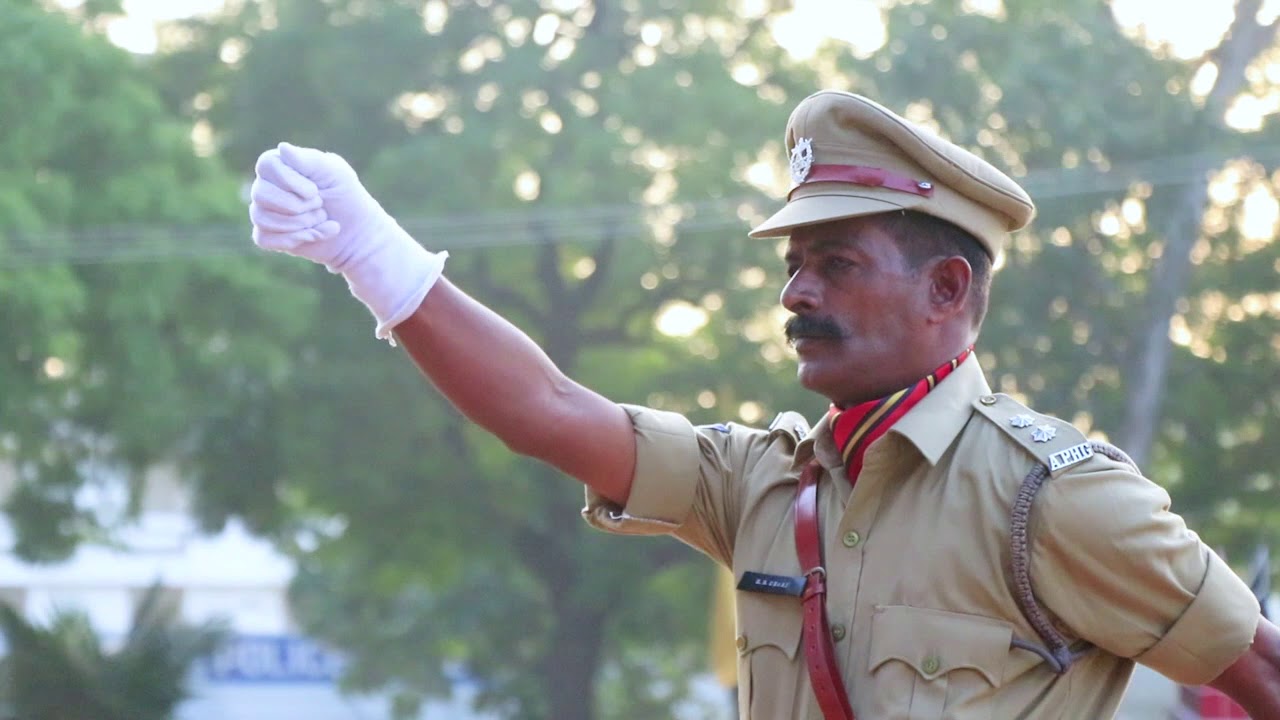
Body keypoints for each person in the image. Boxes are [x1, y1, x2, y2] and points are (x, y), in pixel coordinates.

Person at [248, 90, 1280, 718]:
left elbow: (1261, 677)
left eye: (832, 263)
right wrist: (369, 255)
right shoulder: (759, 483)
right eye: (792, 267)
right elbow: (549, 408)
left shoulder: (1050, 501)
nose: (795, 294)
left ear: (946, 291)